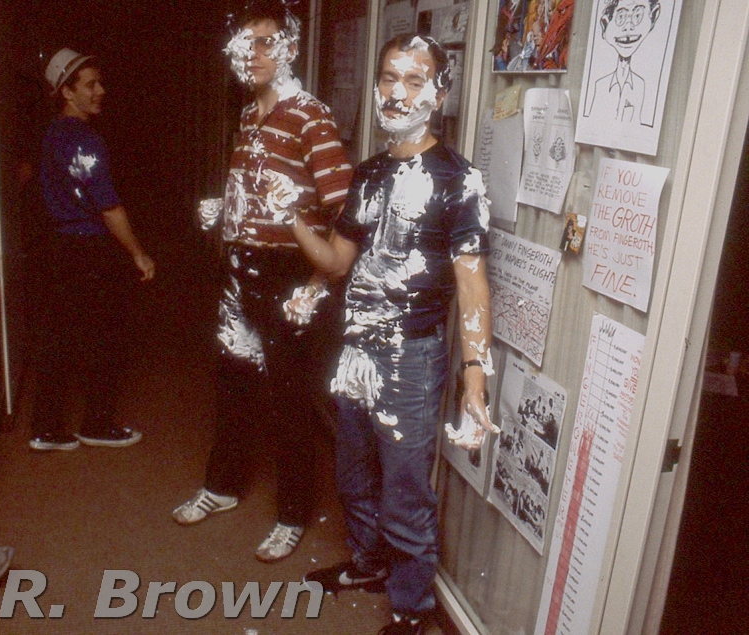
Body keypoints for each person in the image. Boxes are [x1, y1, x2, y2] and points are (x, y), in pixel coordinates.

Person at [293, 34, 497, 634]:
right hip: (357, 344)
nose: (397, 91)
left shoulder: (460, 179)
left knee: (405, 486)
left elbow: (473, 284)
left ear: (438, 92)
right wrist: (292, 220)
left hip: (412, 354)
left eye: (414, 80)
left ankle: (412, 609)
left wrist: (475, 375)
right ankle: (370, 561)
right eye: (389, 77)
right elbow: (337, 263)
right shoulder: (369, 173)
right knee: (353, 469)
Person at [172, 0, 353, 563]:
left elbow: (345, 209)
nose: (253, 54)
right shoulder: (250, 114)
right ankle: (223, 488)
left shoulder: (310, 116)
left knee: (291, 399)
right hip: (241, 268)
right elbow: (263, 191)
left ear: (290, 48)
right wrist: (225, 209)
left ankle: (294, 514)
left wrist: (315, 272)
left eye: (266, 42)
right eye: (245, 44)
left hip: (290, 276)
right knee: (232, 379)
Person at [28, 48, 155, 452]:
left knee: (60, 336)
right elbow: (108, 205)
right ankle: (96, 424)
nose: (101, 91)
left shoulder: (53, 133)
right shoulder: (83, 140)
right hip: (87, 249)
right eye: (90, 85)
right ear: (67, 92)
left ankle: (45, 429)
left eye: (99, 82)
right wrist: (138, 253)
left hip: (61, 246)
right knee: (106, 336)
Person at [584, 0, 661, 124]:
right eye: (621, 17)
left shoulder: (644, 86)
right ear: (605, 24)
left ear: (653, 16)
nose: (629, 27)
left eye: (637, 16)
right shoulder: (600, 85)